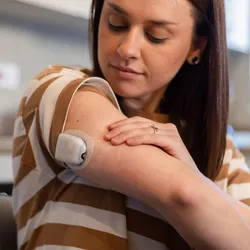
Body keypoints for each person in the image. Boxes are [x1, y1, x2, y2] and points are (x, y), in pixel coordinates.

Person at [12, 0, 250, 249]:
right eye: (117, 24)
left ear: (196, 47)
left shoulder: (221, 151)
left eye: (155, 36)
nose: (127, 49)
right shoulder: (60, 91)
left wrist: (195, 181)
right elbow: (183, 194)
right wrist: (199, 188)